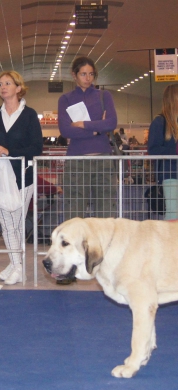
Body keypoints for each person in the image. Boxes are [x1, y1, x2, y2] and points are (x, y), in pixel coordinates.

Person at [57, 56, 118, 284]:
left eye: (91, 74)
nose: (88, 78)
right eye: (83, 74)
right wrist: (96, 129)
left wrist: (83, 125)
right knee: (74, 216)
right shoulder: (65, 99)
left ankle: (105, 269)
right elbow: (65, 130)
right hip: (76, 162)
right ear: (74, 75)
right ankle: (67, 269)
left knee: (104, 216)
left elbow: (111, 123)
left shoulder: (104, 96)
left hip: (103, 160)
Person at [0, 71, 43, 285]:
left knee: (16, 224)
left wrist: (10, 150)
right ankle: (16, 265)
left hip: (22, 176)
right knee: (7, 224)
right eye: (0, 84)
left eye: (8, 83)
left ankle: (17, 267)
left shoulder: (29, 115)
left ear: (18, 88)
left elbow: (37, 147)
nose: (3, 87)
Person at [147, 84, 178, 220]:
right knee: (173, 214)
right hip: (169, 175)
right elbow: (153, 149)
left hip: (170, 173)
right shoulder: (159, 122)